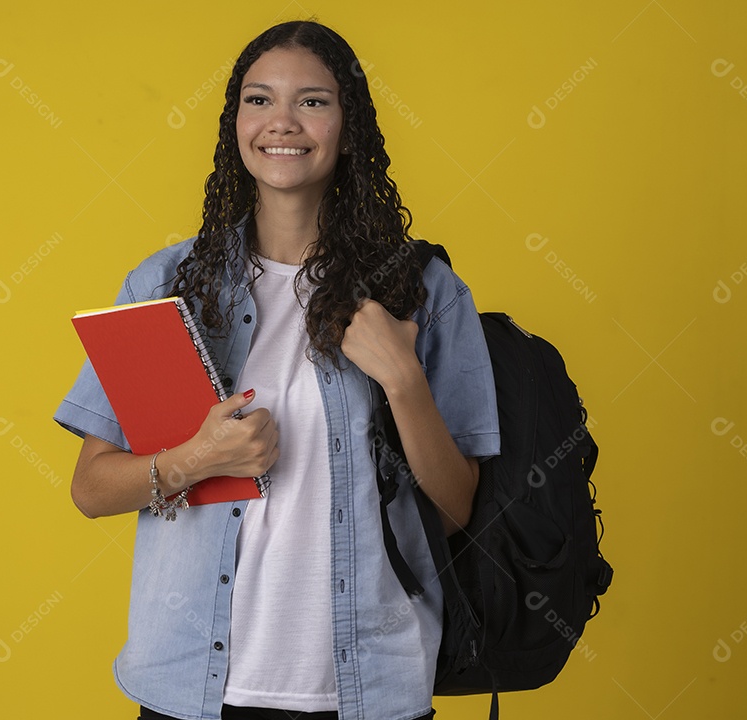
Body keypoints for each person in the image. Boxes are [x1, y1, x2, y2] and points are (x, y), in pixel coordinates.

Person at [54, 20, 499, 720]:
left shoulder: (420, 292)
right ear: (235, 124)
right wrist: (199, 458)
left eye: (313, 101)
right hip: (191, 686)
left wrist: (404, 381)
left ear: (349, 128)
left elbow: (452, 511)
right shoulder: (167, 287)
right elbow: (91, 488)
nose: (282, 122)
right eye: (258, 100)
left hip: (368, 689)